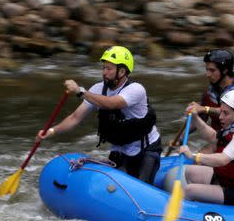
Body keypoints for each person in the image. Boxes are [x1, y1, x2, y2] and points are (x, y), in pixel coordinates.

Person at [37, 45, 162, 183]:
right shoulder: (97, 89)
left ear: (121, 71)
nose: (104, 72)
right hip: (120, 149)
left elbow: (111, 103)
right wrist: (52, 131)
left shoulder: (136, 89)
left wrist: (80, 91)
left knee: (141, 190)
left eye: (109, 69)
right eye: (103, 68)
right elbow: (75, 118)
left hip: (146, 150)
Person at [185, 49, 234, 131]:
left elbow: (232, 112)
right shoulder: (208, 93)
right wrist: (179, 139)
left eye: (212, 70)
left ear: (225, 70)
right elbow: (199, 121)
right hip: (220, 139)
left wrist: (203, 109)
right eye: (207, 70)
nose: (208, 74)